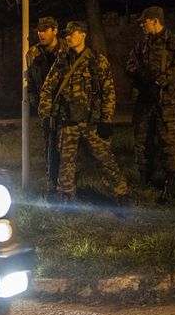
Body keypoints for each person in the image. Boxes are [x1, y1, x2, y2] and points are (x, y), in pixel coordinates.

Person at [38, 21, 128, 203]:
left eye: (72, 34)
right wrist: (46, 114)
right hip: (68, 121)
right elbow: (48, 88)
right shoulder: (62, 61)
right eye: (67, 34)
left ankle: (121, 193)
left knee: (105, 159)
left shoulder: (97, 60)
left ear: (83, 35)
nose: (68, 37)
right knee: (66, 162)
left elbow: (108, 91)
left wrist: (107, 119)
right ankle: (66, 196)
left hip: (92, 122)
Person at [126, 6, 175, 199]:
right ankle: (146, 179)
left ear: (155, 21)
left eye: (144, 22)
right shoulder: (142, 44)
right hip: (145, 101)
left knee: (170, 143)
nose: (142, 26)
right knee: (142, 141)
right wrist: (140, 75)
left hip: (167, 101)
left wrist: (158, 81)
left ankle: (173, 185)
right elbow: (130, 64)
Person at [26, 16, 69, 194]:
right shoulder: (33, 54)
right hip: (46, 107)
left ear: (55, 31)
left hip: (67, 107)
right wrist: (37, 103)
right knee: (49, 146)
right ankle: (52, 183)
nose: (41, 34)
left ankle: (67, 184)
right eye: (39, 31)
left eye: (45, 30)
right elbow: (32, 82)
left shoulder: (67, 49)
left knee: (67, 146)